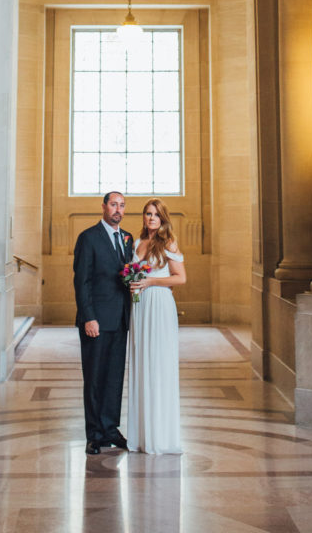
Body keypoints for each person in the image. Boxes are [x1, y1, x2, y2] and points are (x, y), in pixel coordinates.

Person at [72, 190, 133, 455]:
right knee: (95, 378)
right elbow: (81, 281)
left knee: (114, 377)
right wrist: (89, 317)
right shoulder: (88, 238)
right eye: (113, 204)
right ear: (103, 207)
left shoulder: (127, 239)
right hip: (96, 320)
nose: (117, 209)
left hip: (120, 319)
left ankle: (110, 428)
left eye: (121, 205)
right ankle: (94, 434)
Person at [126, 198, 187, 454]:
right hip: (140, 307)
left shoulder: (168, 243)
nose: (151, 218)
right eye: (147, 214)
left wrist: (150, 282)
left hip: (159, 306)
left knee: (159, 364)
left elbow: (180, 278)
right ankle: (142, 435)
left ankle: (161, 436)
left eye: (156, 215)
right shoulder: (137, 243)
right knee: (142, 363)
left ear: (163, 219)